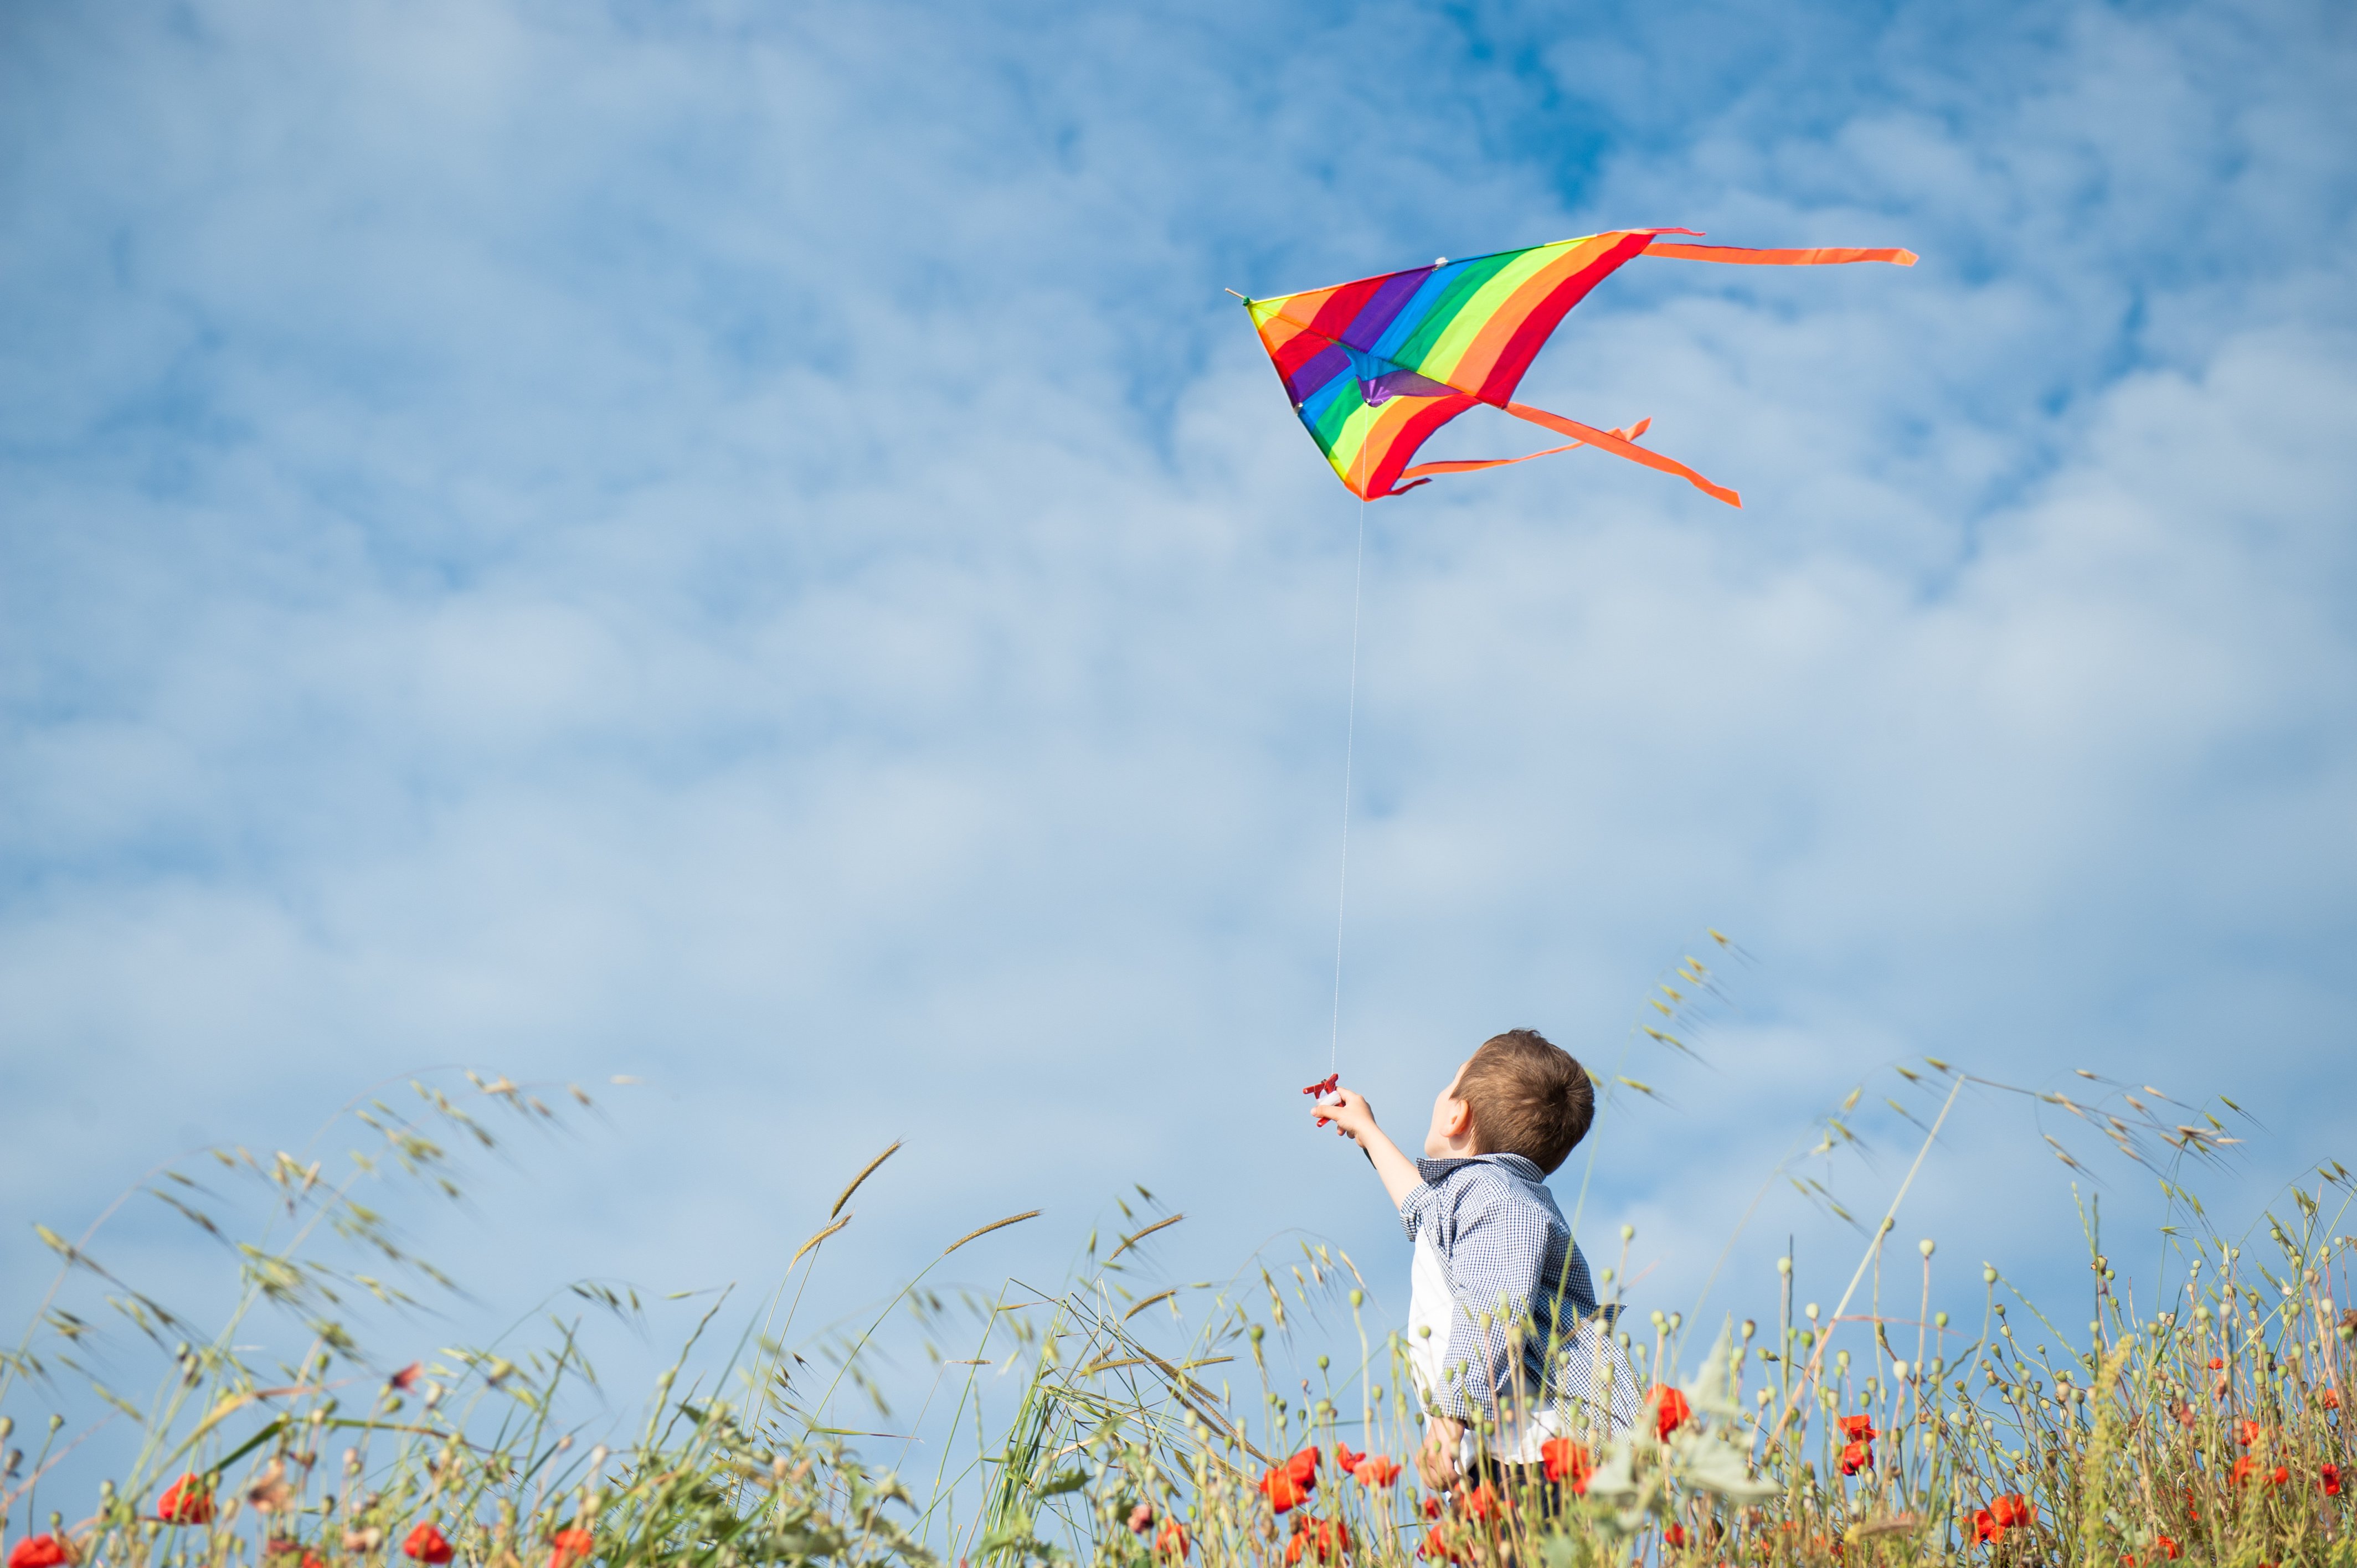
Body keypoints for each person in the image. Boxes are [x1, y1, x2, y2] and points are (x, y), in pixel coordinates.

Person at [1315, 1028, 1636, 1493]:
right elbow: (1423, 1209)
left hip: (1534, 1456)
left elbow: (1497, 1302)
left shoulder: (1496, 1199)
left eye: (1449, 1084)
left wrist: (1449, 1423)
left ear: (1456, 1115)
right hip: (1512, 1453)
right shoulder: (1491, 1195)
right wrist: (1368, 1133)